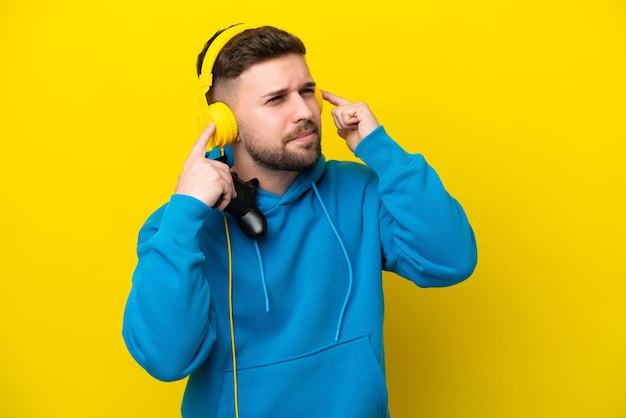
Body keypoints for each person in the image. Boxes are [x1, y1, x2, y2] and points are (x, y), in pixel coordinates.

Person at [122, 24, 477, 418]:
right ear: (226, 123)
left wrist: (384, 153)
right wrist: (185, 212)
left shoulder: (360, 190)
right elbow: (165, 360)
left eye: (306, 91)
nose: (306, 112)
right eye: (276, 99)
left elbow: (451, 260)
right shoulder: (180, 228)